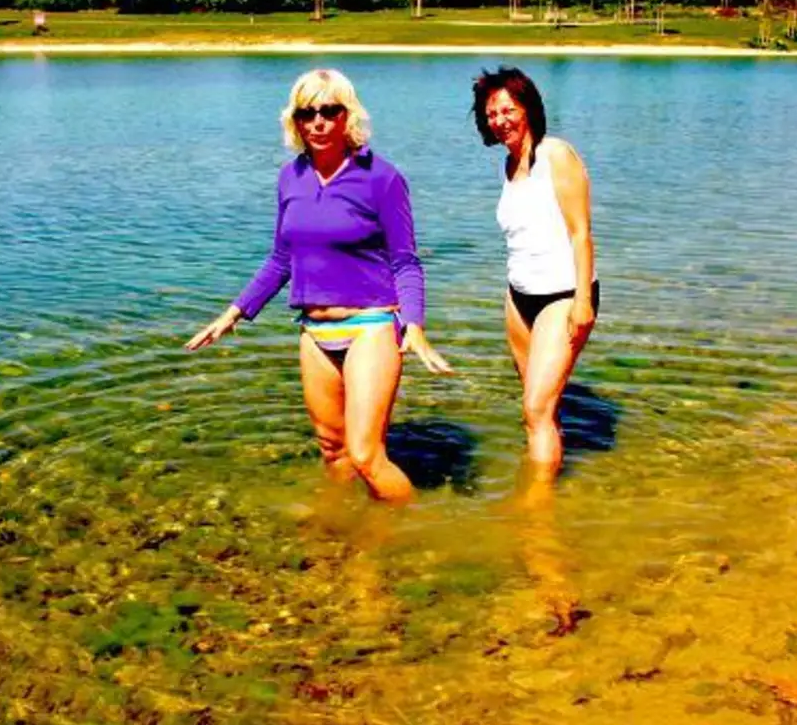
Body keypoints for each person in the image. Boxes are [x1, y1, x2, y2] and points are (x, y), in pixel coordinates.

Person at [186, 68, 452, 505]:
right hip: (314, 331)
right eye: (308, 113)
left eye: (330, 110)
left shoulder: (381, 178)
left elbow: (405, 261)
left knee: (366, 455)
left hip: (370, 324)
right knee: (333, 450)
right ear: (295, 121)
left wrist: (416, 326)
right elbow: (281, 259)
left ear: (349, 116)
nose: (319, 122)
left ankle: (413, 539)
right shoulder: (291, 178)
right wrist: (233, 313)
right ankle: (340, 536)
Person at [471, 66, 599, 495]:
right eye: (491, 113)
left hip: (563, 294)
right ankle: (542, 487)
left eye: (508, 109)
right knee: (538, 409)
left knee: (535, 406)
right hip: (519, 295)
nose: (500, 119)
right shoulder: (509, 166)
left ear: (528, 109)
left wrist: (583, 303)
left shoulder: (555, 154)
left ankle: (535, 514)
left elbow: (581, 232)